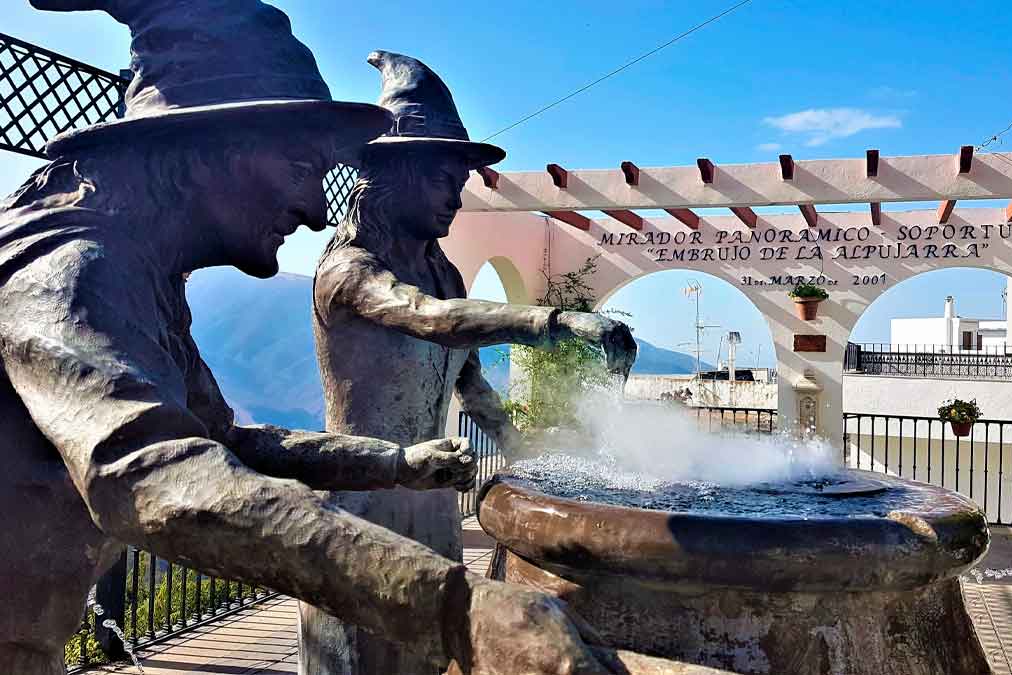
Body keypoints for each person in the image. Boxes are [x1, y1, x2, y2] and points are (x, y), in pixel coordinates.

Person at [1, 3, 610, 674]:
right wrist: (456, 608)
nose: (317, 208)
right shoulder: (69, 269)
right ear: (210, 150)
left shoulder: (140, 282)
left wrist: (393, 464)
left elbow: (225, 442)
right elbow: (152, 478)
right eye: (301, 167)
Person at [305, 50, 637, 674]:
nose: (454, 200)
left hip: (432, 494)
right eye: (439, 181)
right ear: (392, 176)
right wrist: (556, 323)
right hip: (365, 493)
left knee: (431, 649)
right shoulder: (349, 269)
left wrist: (524, 449)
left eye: (457, 184)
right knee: (362, 655)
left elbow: (469, 381)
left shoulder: (441, 268)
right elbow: (429, 318)